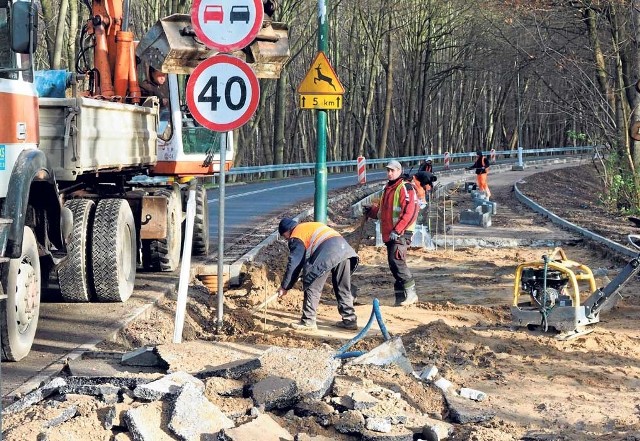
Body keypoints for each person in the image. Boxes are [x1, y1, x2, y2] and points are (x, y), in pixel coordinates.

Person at [276, 218, 359, 331]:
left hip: (328, 251)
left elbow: (294, 263)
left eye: (284, 235)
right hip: (345, 251)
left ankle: (308, 321)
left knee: (312, 284)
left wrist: (285, 286)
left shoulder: (296, 235)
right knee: (342, 287)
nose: (285, 238)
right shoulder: (308, 226)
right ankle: (350, 320)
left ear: (287, 230)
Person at [364, 160, 419, 306]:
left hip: (400, 234)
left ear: (399, 171)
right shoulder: (388, 188)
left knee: (397, 261)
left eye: (392, 171)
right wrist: (371, 211)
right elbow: (384, 212)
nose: (389, 173)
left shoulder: (405, 188)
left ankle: (411, 294)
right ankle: (400, 299)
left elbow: (410, 212)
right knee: (393, 265)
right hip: (390, 234)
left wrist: (398, 229)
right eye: (388, 170)